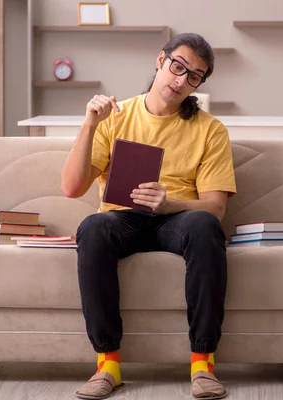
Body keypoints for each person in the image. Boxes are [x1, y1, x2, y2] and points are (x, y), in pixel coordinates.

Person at [61, 32, 236, 400]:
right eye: (178, 67)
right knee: (93, 227)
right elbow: (72, 188)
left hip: (178, 219)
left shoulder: (211, 130)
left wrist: (170, 203)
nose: (181, 81)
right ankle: (107, 364)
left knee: (205, 225)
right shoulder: (115, 116)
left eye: (194, 76)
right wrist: (91, 123)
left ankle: (202, 362)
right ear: (160, 60)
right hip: (121, 218)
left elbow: (216, 207)